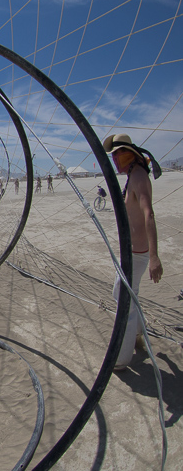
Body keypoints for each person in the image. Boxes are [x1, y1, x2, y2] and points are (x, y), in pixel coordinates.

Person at [103, 133, 163, 370]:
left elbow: (149, 214)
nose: (115, 159)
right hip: (131, 252)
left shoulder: (138, 177)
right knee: (126, 293)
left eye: (117, 154)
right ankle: (138, 335)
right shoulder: (132, 176)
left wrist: (155, 257)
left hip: (138, 254)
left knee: (123, 300)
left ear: (129, 154)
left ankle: (121, 358)